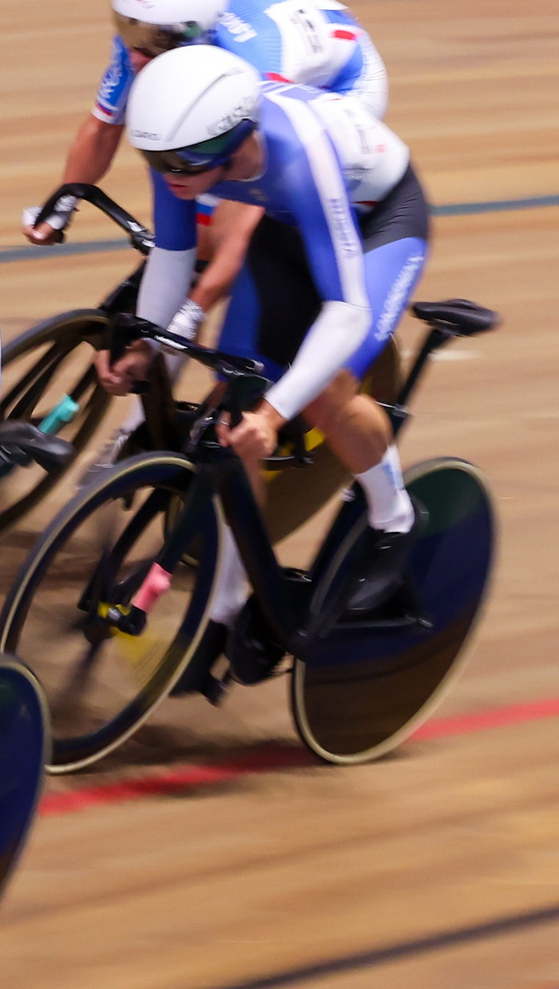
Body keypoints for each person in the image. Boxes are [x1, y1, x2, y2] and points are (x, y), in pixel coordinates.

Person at [96, 44, 429, 654]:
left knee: (326, 393)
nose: (169, 177)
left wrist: (278, 416)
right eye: (154, 160)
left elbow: (347, 310)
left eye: (181, 164)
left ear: (235, 141)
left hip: (382, 223)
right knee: (234, 409)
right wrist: (148, 348)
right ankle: (224, 606)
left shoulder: (299, 158)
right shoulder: (183, 145)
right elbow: (172, 260)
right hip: (288, 222)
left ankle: (395, 518)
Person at [21, 0, 386, 247]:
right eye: (128, 29)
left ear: (196, 34)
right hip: (286, 16)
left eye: (150, 42)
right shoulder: (143, 40)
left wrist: (196, 302)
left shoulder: (249, 70)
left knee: (243, 219)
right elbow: (103, 129)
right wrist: (62, 203)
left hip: (341, 83)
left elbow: (255, 180)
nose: (134, 54)